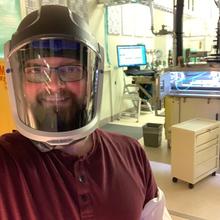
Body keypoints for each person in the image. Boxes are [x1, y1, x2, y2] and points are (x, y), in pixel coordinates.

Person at [1, 4, 171, 220]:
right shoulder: (6, 163)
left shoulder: (131, 153)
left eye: (71, 69)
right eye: (36, 71)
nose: (53, 85)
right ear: (18, 81)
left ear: (92, 77)